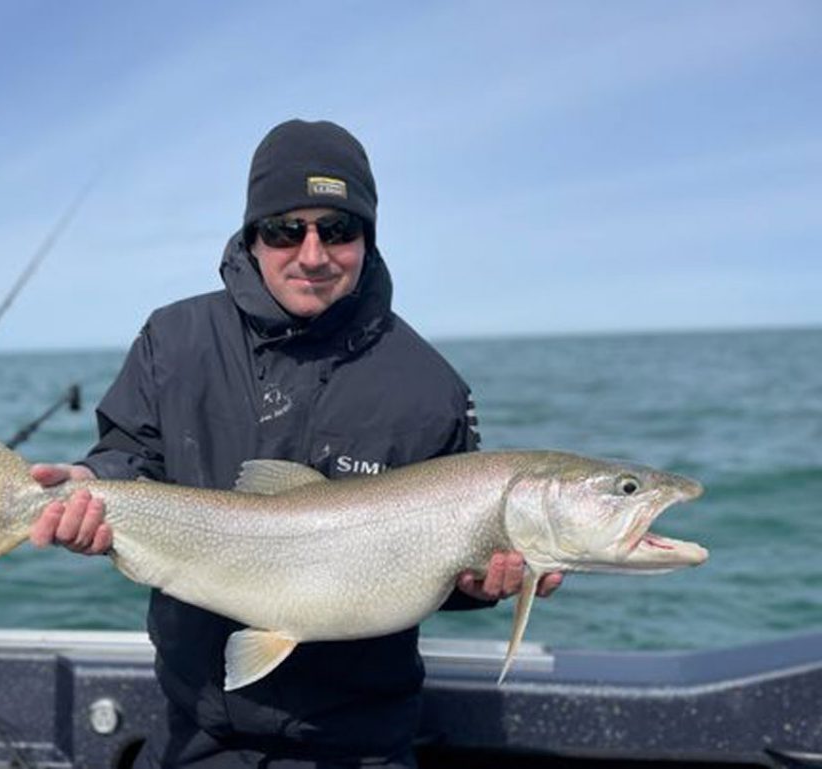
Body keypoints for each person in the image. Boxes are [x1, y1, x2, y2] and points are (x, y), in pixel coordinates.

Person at [29, 119, 562, 768]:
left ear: (368, 237)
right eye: (286, 229)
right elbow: (127, 454)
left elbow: (442, 571)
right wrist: (91, 481)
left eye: (338, 229)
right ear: (252, 235)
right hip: (200, 726)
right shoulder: (174, 340)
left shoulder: (432, 386)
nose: (313, 254)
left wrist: (481, 583)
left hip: (364, 739)